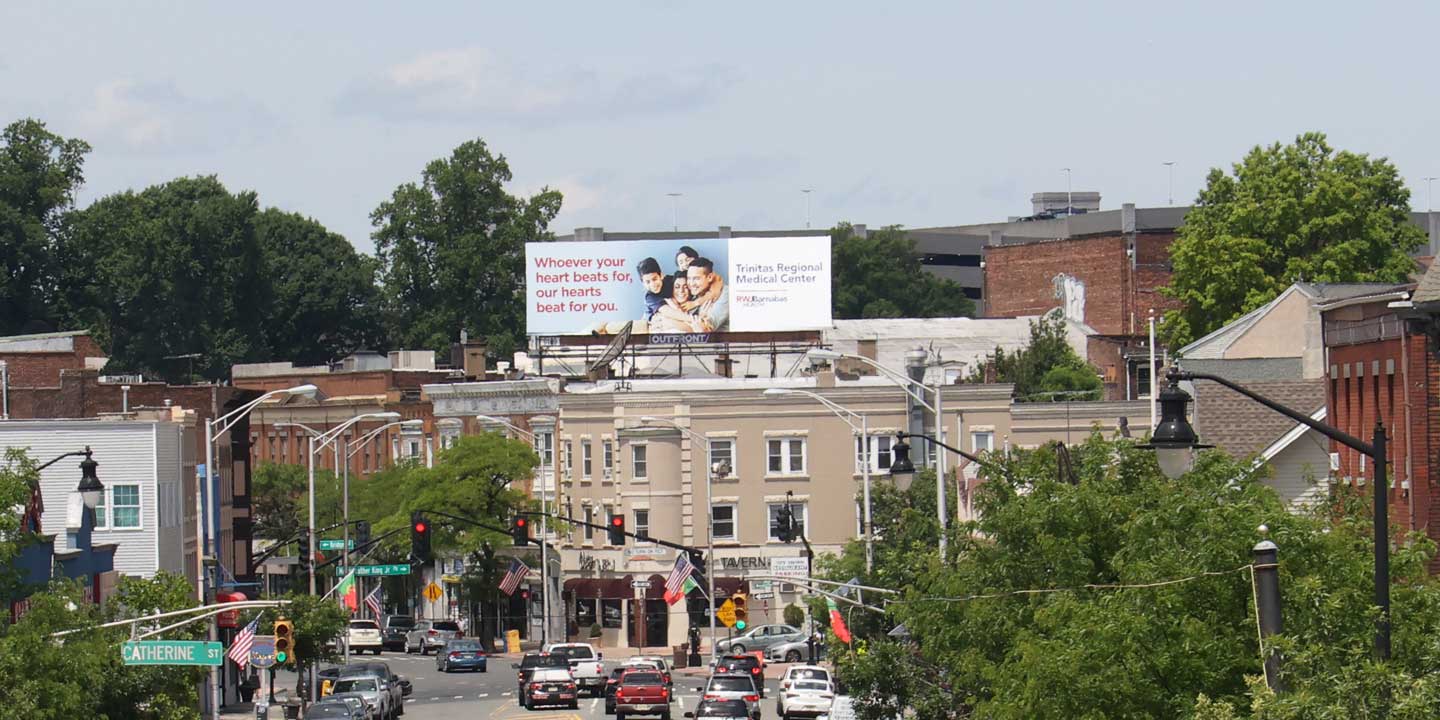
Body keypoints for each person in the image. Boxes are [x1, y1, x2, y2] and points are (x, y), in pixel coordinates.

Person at [685, 257, 728, 331]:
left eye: (696, 278)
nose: (691, 284)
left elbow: (707, 327)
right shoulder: (695, 292)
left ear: (710, 277)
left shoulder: (725, 293)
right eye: (689, 278)